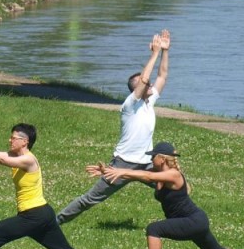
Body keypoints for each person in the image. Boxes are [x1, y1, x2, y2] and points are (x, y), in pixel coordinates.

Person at [90, 142, 244, 249]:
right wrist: (108, 171)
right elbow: (137, 174)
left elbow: (147, 177)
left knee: (154, 229)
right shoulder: (157, 172)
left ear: (162, 159)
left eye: (153, 156)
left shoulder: (174, 174)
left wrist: (120, 171)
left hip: (193, 221)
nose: (150, 159)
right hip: (193, 221)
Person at [57, 31, 170, 225]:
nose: (151, 84)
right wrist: (154, 54)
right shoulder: (130, 105)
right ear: (137, 89)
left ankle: (181, 220)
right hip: (123, 164)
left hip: (146, 163)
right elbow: (145, 80)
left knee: (175, 186)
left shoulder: (149, 102)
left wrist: (165, 51)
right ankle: (54, 222)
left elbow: (163, 75)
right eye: (146, 84)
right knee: (90, 199)